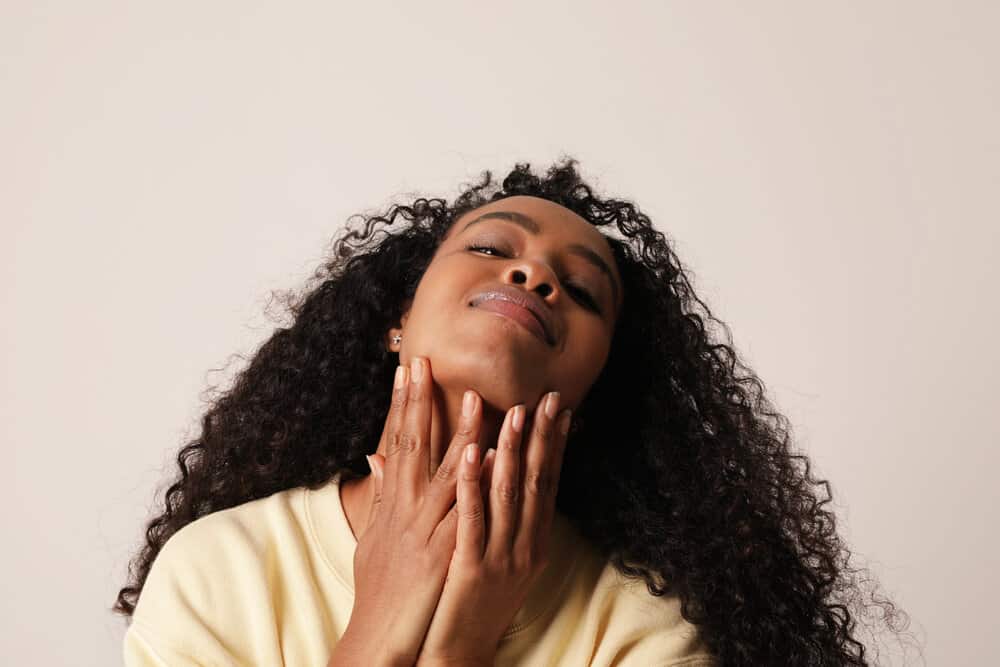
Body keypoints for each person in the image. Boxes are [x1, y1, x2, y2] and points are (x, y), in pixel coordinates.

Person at [114, 158, 908, 665]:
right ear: (397, 316)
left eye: (583, 288)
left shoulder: (645, 627)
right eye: (494, 248)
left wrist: (459, 643)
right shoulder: (218, 571)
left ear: (594, 392)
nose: (532, 275)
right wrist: (385, 612)